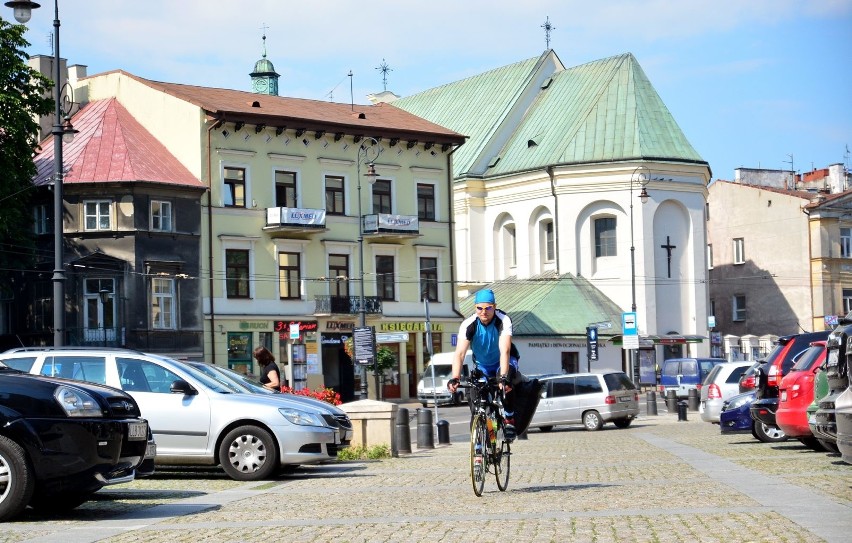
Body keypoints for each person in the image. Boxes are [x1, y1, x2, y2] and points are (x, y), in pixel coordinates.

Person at [447, 288, 521, 440]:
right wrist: (455, 377)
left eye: (488, 308)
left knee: (505, 386)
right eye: (479, 308)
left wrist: (504, 377)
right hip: (482, 365)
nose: (483, 312)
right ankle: (483, 441)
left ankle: (509, 419)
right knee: (476, 401)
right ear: (475, 308)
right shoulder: (469, 324)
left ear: (494, 306)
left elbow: (505, 350)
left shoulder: (503, 320)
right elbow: (460, 353)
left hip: (504, 361)